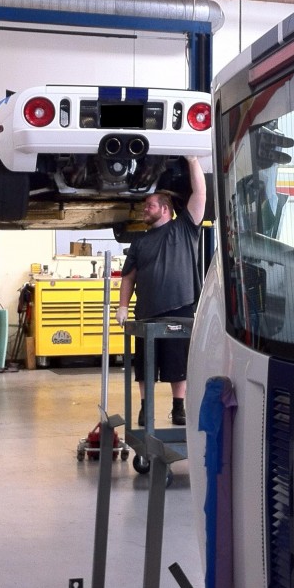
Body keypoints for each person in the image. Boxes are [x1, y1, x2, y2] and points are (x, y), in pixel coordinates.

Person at [116, 155, 206, 426]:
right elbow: (128, 278)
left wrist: (192, 160)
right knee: (144, 366)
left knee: (177, 362)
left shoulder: (185, 228)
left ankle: (179, 408)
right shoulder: (139, 242)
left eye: (150, 205)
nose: (146, 209)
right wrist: (122, 306)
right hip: (146, 313)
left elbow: (200, 193)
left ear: (165, 209)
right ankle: (146, 408)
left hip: (180, 309)